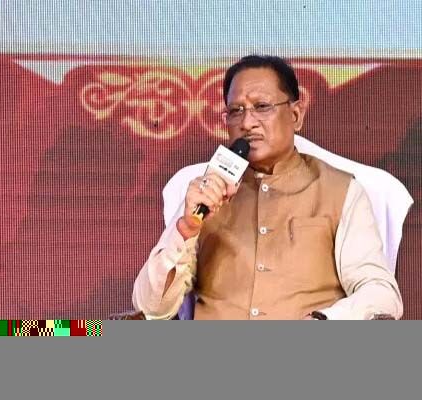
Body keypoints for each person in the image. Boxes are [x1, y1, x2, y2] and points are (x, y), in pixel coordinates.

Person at [132, 55, 403, 320]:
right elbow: (151, 308)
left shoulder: (341, 191)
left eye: (261, 106)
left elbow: (380, 293)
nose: (246, 123)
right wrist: (185, 231)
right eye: (236, 111)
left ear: (295, 115)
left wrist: (325, 321)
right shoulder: (208, 190)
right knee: (105, 330)